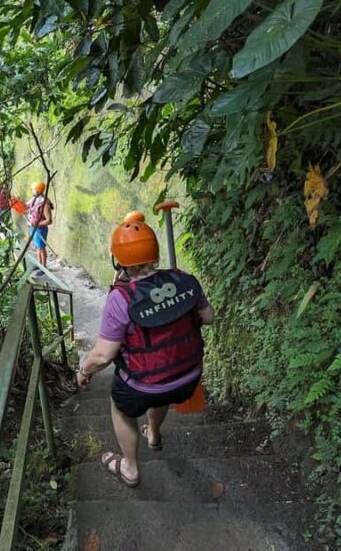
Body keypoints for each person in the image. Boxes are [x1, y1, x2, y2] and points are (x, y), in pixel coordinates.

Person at [76, 217, 214, 487]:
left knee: (120, 406)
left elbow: (103, 356)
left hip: (145, 385)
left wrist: (83, 371)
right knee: (159, 390)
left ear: (119, 261)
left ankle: (129, 466)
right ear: (155, 252)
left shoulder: (121, 298)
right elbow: (208, 317)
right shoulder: (185, 280)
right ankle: (153, 434)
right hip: (189, 377)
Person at [26, 180, 53, 273]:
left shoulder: (45, 203)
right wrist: (16, 201)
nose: (32, 191)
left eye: (33, 190)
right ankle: (39, 264)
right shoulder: (34, 199)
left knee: (41, 248)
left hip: (40, 229)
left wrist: (38, 224)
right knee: (37, 247)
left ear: (38, 191)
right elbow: (25, 206)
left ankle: (43, 268)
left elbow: (49, 220)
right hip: (33, 227)